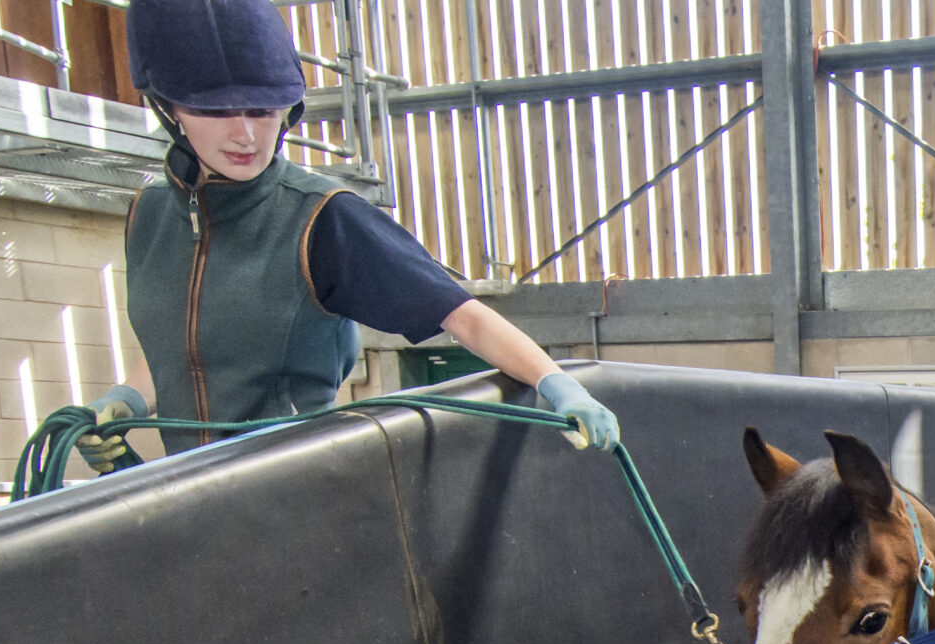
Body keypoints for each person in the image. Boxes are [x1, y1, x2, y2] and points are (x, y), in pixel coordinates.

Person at [78, 0, 620, 472]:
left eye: (262, 110)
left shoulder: (322, 218)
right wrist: (129, 400)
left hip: (299, 487)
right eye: (215, 111)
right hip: (182, 486)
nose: (244, 133)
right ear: (168, 107)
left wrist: (555, 383)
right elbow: (191, 344)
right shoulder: (147, 217)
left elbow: (462, 313)